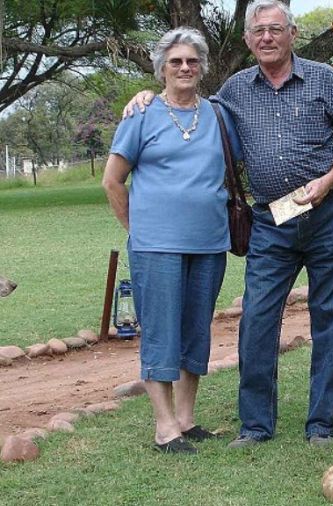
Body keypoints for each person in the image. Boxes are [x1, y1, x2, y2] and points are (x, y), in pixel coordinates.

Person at [126, 0, 333, 448]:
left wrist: (328, 181)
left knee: (331, 317)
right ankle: (256, 425)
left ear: (292, 33)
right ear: (247, 39)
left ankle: (321, 423)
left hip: (331, 217)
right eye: (258, 31)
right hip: (271, 222)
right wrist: (144, 95)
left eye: (276, 29)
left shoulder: (324, 79)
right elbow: (185, 101)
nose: (267, 38)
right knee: (256, 317)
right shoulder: (234, 91)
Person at [104, 27, 242, 454]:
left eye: (193, 61)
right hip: (155, 246)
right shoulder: (141, 114)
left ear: (202, 67)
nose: (185, 67)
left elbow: (235, 166)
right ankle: (165, 428)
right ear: (162, 68)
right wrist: (139, 231)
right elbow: (112, 181)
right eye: (176, 61)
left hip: (209, 243)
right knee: (161, 333)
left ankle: (186, 418)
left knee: (196, 331)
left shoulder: (219, 115)